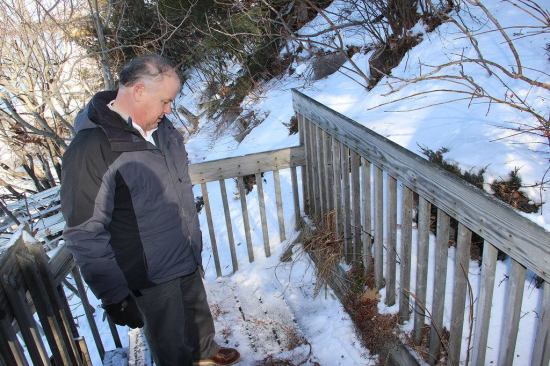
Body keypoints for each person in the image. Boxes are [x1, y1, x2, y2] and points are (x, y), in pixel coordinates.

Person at [60, 55, 240, 366]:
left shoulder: (162, 128)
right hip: (149, 272)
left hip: (183, 249)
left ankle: (205, 351)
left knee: (197, 313)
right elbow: (84, 231)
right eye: (166, 101)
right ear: (139, 91)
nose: (170, 109)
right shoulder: (93, 147)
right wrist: (114, 295)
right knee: (169, 342)